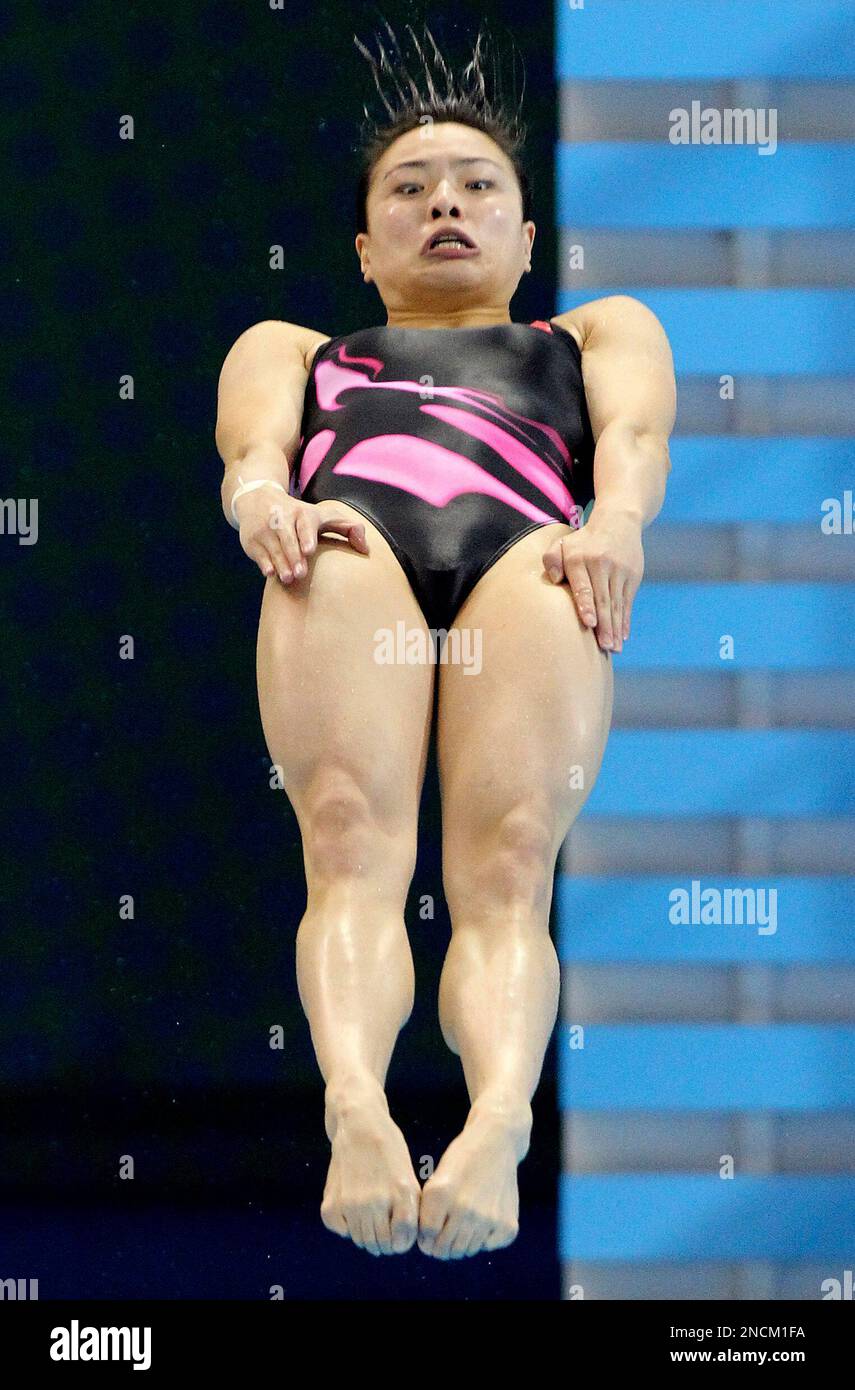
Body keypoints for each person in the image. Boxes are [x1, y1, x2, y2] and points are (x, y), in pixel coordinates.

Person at [214, 21, 676, 1261]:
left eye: (479, 186)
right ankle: (356, 1106)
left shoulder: (596, 335)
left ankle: (499, 1121)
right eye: (410, 191)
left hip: (531, 559)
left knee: (512, 865)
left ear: (531, 238)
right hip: (346, 545)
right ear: (365, 249)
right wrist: (268, 509)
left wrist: (618, 522)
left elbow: (632, 449)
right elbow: (253, 459)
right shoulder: (294, 349)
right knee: (348, 842)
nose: (447, 205)